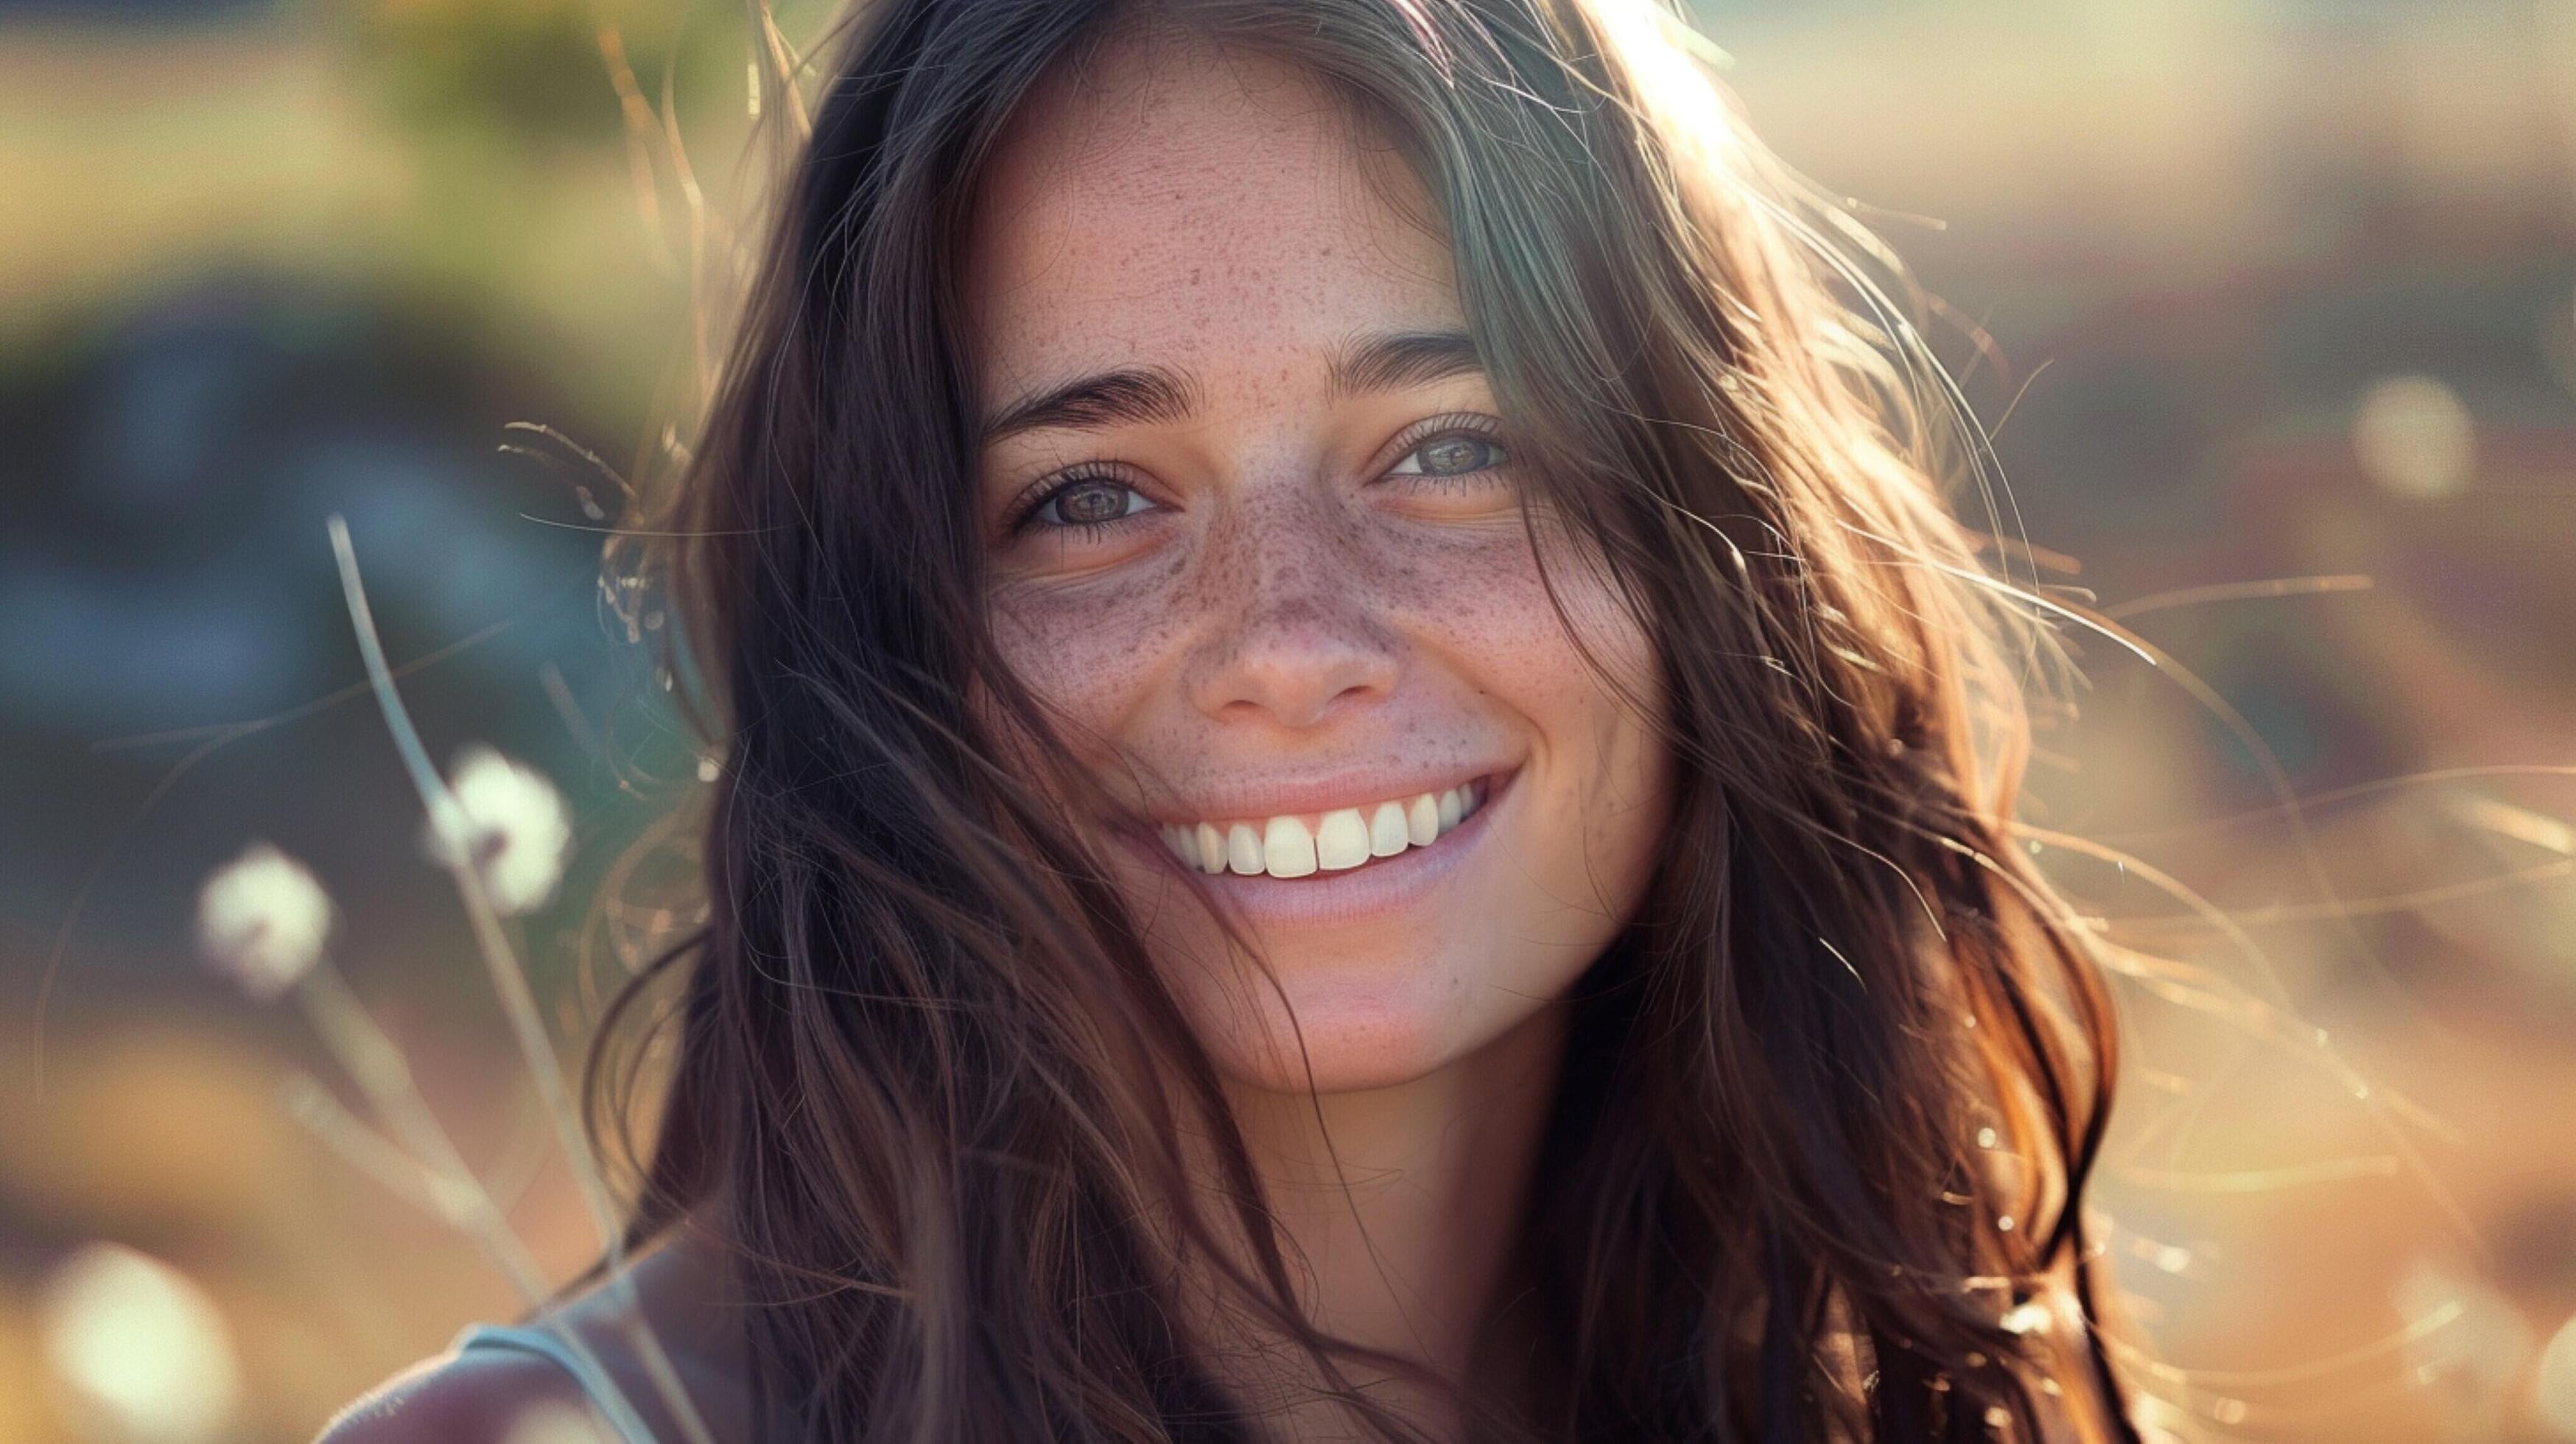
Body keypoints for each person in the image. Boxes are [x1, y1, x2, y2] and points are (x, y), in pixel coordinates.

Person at [323, 0, 2145, 1438]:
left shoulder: (1873, 1373)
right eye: (1094, 494)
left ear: (1704, 546)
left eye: (1454, 448)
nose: (1290, 639)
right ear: (885, 642)